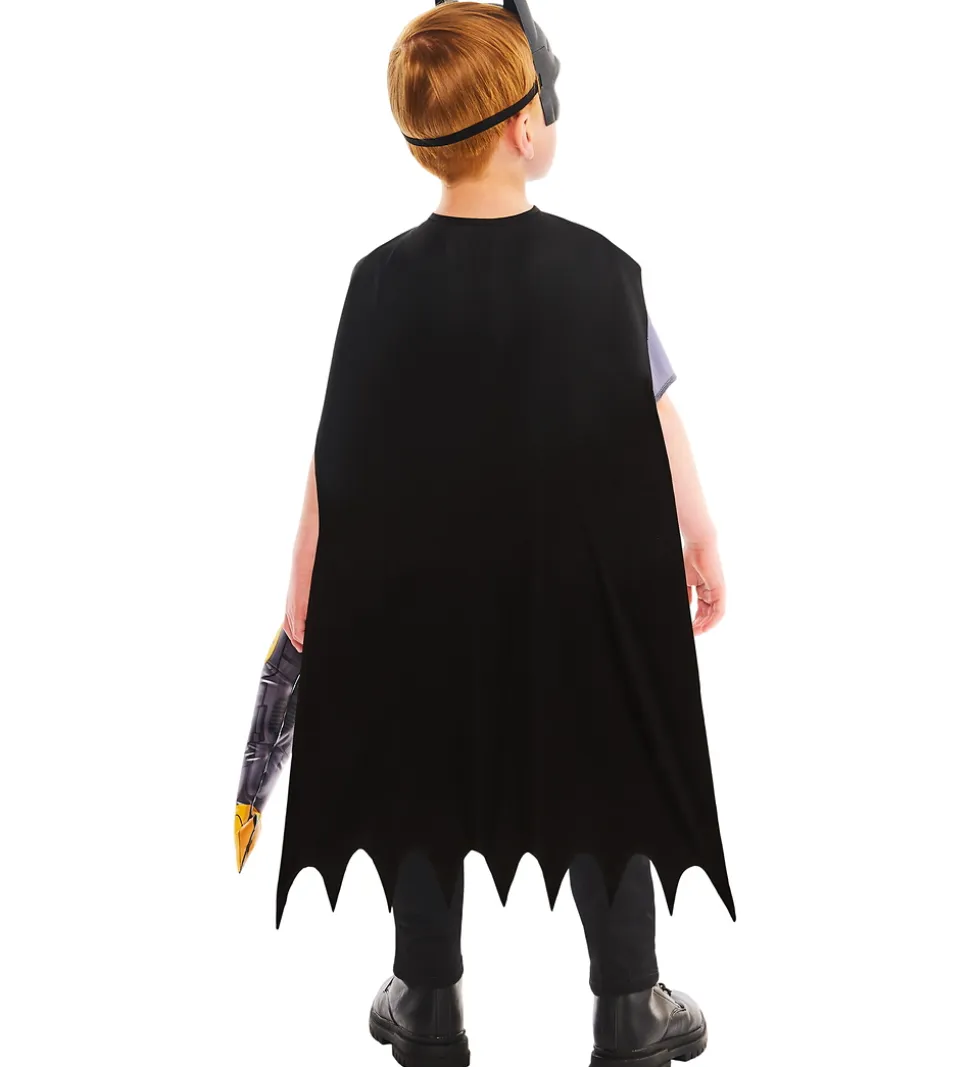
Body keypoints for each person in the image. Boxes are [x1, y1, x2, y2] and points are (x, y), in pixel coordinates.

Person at [276, 4, 734, 1065]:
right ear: (526, 127)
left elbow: (338, 443)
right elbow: (653, 407)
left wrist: (304, 579)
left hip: (421, 592)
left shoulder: (377, 281)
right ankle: (630, 1002)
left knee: (421, 752)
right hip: (578, 587)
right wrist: (700, 532)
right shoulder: (604, 271)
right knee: (605, 751)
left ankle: (428, 997)